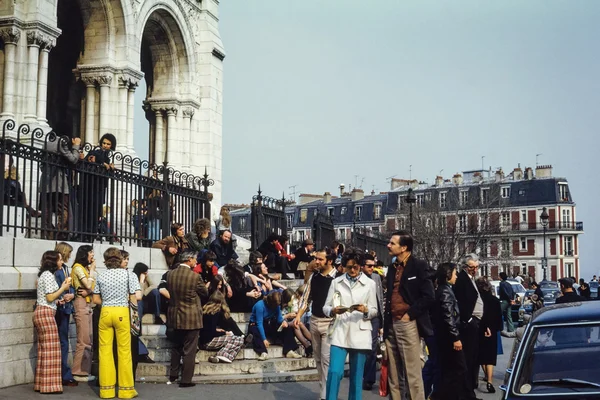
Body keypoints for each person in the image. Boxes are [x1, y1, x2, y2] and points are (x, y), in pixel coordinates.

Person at [384, 231, 434, 400]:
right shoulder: (392, 268)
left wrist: (409, 315)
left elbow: (429, 296)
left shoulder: (419, 265)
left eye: (392, 243)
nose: (388, 245)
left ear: (404, 247)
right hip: (391, 323)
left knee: (412, 373)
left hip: (407, 323)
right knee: (393, 374)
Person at [322, 248, 378, 400]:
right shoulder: (336, 282)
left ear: (360, 266)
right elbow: (325, 307)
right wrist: (333, 310)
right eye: (349, 267)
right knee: (334, 371)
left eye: (356, 267)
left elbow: (374, 310)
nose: (352, 270)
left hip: (360, 331)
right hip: (340, 330)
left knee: (356, 376)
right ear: (344, 266)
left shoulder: (370, 284)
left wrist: (365, 310)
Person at [92, 248, 139, 399]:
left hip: (105, 311)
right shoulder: (128, 275)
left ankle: (106, 390)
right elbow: (134, 297)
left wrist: (107, 303)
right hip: (122, 312)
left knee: (104, 351)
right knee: (124, 351)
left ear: (105, 261)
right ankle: (126, 389)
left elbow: (95, 299)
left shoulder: (101, 276)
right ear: (120, 260)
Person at [294, 248, 337, 400]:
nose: (316, 262)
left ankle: (326, 395)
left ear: (329, 261)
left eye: (320, 259)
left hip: (330, 323)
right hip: (314, 320)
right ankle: (323, 391)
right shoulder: (314, 277)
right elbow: (306, 298)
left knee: (326, 360)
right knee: (318, 359)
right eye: (316, 258)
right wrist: (299, 315)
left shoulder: (337, 278)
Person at [166, 250, 208, 387]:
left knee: (176, 346)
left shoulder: (170, 274)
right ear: (189, 260)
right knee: (189, 349)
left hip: (174, 315)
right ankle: (186, 380)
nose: (196, 262)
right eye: (195, 259)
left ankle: (173, 374)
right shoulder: (195, 277)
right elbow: (204, 292)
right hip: (191, 316)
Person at [33, 251, 72, 394]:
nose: (62, 262)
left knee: (44, 350)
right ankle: (50, 386)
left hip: (41, 311)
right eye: (60, 260)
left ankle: (41, 384)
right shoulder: (49, 276)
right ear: (53, 261)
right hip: (46, 313)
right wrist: (63, 288)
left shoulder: (44, 275)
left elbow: (48, 297)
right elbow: (49, 297)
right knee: (52, 351)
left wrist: (58, 300)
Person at [433, 262, 472, 400]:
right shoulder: (445, 291)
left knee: (452, 369)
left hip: (446, 336)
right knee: (458, 368)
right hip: (448, 338)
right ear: (448, 274)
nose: (456, 276)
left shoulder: (445, 289)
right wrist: (455, 337)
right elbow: (448, 315)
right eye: (454, 273)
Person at [39, 132, 82, 240]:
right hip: (59, 183)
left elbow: (41, 164)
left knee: (47, 209)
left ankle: (47, 234)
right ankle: (61, 235)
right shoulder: (61, 142)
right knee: (62, 209)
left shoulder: (46, 143)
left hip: (45, 182)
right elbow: (73, 159)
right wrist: (76, 145)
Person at [453, 254, 486, 395]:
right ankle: (466, 392)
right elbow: (462, 302)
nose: (475, 270)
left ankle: (469, 390)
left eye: (477, 267)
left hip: (475, 322)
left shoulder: (471, 279)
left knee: (473, 358)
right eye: (472, 267)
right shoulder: (462, 280)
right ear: (466, 267)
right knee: (468, 359)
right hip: (470, 323)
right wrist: (469, 320)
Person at [248, 291, 301, 361]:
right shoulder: (260, 306)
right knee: (256, 331)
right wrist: (264, 339)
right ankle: (263, 352)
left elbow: (279, 319)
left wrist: (283, 322)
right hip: (255, 324)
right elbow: (259, 323)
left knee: (286, 327)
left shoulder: (277, 306)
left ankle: (289, 350)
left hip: (267, 323)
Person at [70, 244, 97, 382]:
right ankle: (78, 371)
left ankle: (84, 371)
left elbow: (93, 287)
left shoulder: (85, 269)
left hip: (88, 303)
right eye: (91, 252)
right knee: (83, 339)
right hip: (81, 303)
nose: (93, 255)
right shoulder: (78, 268)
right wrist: (92, 271)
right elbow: (88, 285)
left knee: (88, 338)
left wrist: (90, 289)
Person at [81, 133, 115, 241]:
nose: (105, 145)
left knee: (96, 212)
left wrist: (110, 168)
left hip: (100, 188)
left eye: (108, 144)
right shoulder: (94, 152)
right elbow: (89, 161)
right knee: (88, 210)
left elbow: (107, 175)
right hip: (90, 186)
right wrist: (102, 163)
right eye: (104, 143)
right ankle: (86, 234)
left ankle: (91, 234)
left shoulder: (108, 158)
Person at [53, 242, 77, 387]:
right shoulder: (55, 270)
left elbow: (72, 286)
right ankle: (62, 373)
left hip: (66, 307)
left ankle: (64, 373)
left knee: (63, 340)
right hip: (58, 307)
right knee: (61, 341)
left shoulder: (67, 269)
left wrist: (72, 295)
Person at [199, 291, 245, 364]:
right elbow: (211, 333)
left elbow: (207, 329)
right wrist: (225, 333)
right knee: (239, 340)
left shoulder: (205, 310)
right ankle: (222, 355)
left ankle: (218, 357)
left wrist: (217, 330)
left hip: (203, 341)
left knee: (237, 339)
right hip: (208, 341)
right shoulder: (215, 313)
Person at [476, 277, 503, 394]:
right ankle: (490, 381)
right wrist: (496, 328)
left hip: (479, 329)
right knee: (491, 357)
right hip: (492, 330)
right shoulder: (495, 300)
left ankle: (486, 375)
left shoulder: (477, 299)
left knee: (481, 355)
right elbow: (499, 318)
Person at [361, 253, 384, 392]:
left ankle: (369, 379)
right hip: (361, 316)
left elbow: (380, 298)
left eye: (373, 266)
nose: (372, 268)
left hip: (375, 316)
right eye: (369, 266)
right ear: (362, 266)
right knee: (363, 348)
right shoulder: (358, 278)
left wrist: (382, 322)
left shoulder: (376, 278)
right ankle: (362, 375)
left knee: (373, 346)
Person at [282, 288, 312, 356]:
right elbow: (279, 319)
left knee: (298, 323)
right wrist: (287, 316)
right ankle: (307, 345)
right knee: (296, 324)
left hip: (292, 324)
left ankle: (312, 342)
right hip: (283, 326)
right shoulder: (281, 307)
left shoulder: (293, 305)